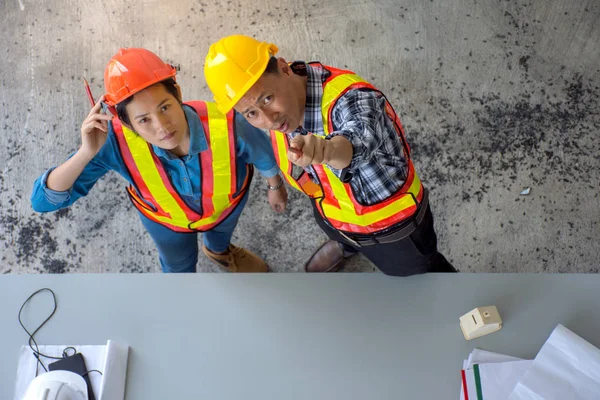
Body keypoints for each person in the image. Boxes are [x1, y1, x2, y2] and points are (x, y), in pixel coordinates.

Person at [204, 35, 457, 276]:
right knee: (336, 231)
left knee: (420, 273)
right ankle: (347, 245)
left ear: (283, 68)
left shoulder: (352, 99)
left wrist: (326, 150)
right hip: (334, 211)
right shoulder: (279, 111)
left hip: (393, 231)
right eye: (251, 113)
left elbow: (358, 137)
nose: (268, 119)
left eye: (268, 98)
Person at [31, 48, 288, 273]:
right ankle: (181, 281)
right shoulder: (114, 143)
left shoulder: (225, 122)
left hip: (226, 209)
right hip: (167, 223)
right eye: (144, 120)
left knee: (220, 238)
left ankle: (219, 252)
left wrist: (275, 186)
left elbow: (262, 153)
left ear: (177, 93)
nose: (162, 126)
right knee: (178, 264)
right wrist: (86, 153)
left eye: (165, 107)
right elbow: (42, 202)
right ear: (126, 123)